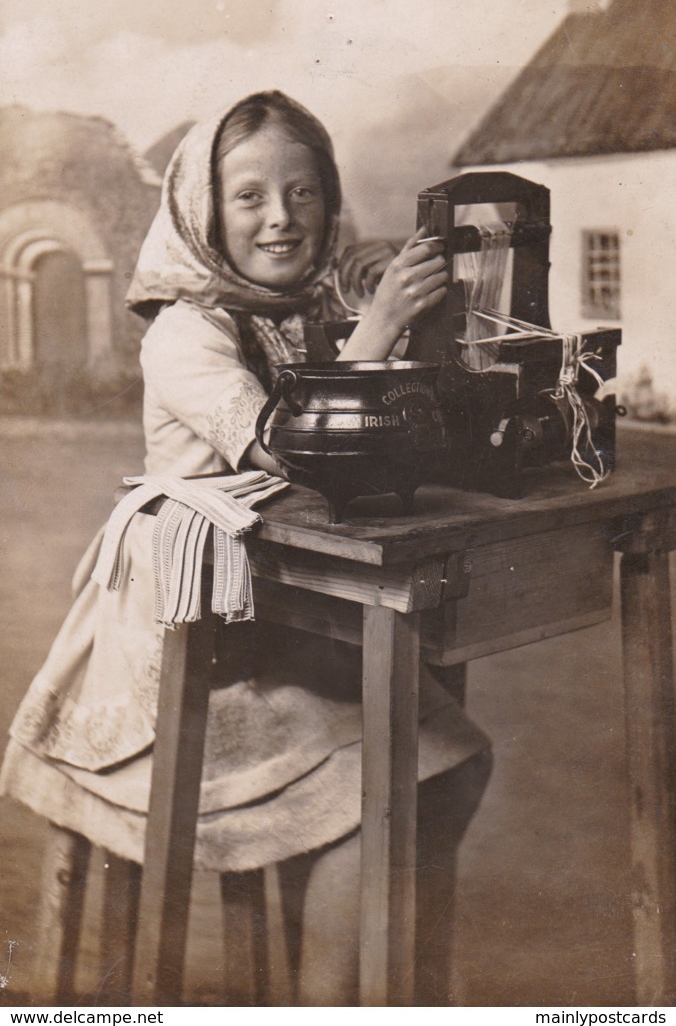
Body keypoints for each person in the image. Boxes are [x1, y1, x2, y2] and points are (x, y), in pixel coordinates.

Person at [0, 91, 491, 1006]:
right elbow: (287, 443)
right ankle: (326, 1000)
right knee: (374, 785)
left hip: (284, 612)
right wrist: (378, 331)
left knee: (448, 760)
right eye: (251, 197)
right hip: (190, 647)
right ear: (201, 212)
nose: (282, 219)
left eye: (305, 194)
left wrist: (398, 322)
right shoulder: (188, 332)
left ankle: (375, 990)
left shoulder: (296, 317)